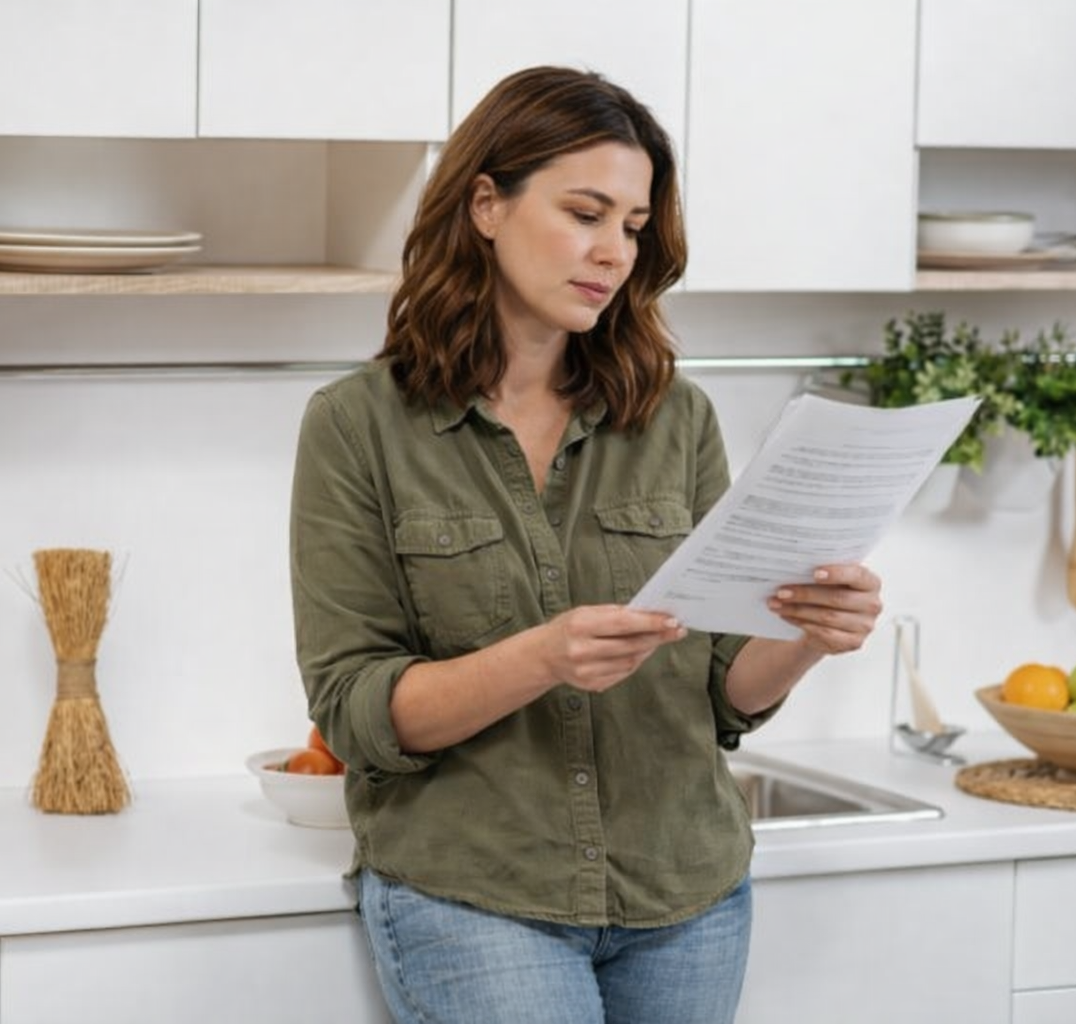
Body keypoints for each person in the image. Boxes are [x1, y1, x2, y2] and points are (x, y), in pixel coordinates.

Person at [287, 65, 883, 1024]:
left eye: (634, 227)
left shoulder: (674, 417)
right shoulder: (359, 426)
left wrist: (810, 632)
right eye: (585, 213)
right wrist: (540, 658)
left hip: (687, 891)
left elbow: (725, 689)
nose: (612, 252)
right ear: (487, 203)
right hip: (480, 895)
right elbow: (357, 712)